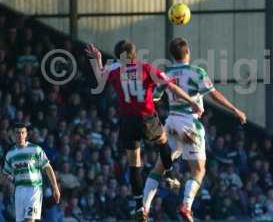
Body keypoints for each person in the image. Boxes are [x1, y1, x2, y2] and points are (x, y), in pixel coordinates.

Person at [85, 40, 203, 217]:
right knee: (163, 142)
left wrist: (97, 60)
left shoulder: (115, 71)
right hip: (146, 118)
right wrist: (192, 101)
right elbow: (170, 86)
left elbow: (100, 78)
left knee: (134, 164)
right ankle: (170, 175)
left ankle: (140, 206)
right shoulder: (146, 68)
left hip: (127, 122)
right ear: (134, 54)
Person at [140, 37, 246, 222]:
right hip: (189, 122)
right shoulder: (197, 71)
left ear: (172, 54)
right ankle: (186, 206)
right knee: (198, 170)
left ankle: (144, 209)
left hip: (171, 122)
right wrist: (235, 110)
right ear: (187, 51)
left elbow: (155, 99)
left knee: (158, 168)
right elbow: (213, 95)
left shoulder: (166, 73)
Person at [0, 122, 60, 222]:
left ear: (26, 134)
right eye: (17, 133)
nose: (20, 135)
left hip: (34, 189)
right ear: (13, 135)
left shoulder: (36, 149)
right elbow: (5, 174)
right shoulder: (10, 154)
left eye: (22, 132)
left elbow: (48, 168)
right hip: (19, 190)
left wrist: (55, 187)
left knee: (29, 220)